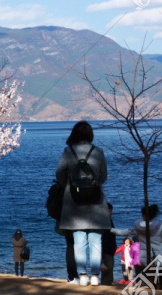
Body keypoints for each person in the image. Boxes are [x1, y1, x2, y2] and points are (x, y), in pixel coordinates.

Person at [56, 120, 110, 287]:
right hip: (96, 202)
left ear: (74, 134)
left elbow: (59, 175)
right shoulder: (98, 151)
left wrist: (70, 184)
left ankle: (83, 275)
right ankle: (95, 276)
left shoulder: (68, 151)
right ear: (90, 134)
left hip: (74, 202)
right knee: (95, 240)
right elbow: (103, 177)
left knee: (79, 240)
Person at [114, 204, 162, 290]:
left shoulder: (138, 228)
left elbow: (125, 232)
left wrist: (112, 230)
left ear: (143, 215)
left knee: (149, 280)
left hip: (145, 258)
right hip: (160, 256)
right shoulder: (159, 227)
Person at [100, 203, 117, 285]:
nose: (111, 212)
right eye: (110, 210)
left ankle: (104, 284)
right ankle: (106, 285)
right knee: (108, 270)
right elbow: (104, 239)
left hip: (108, 250)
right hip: (107, 250)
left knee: (105, 271)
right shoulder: (106, 223)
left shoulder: (107, 222)